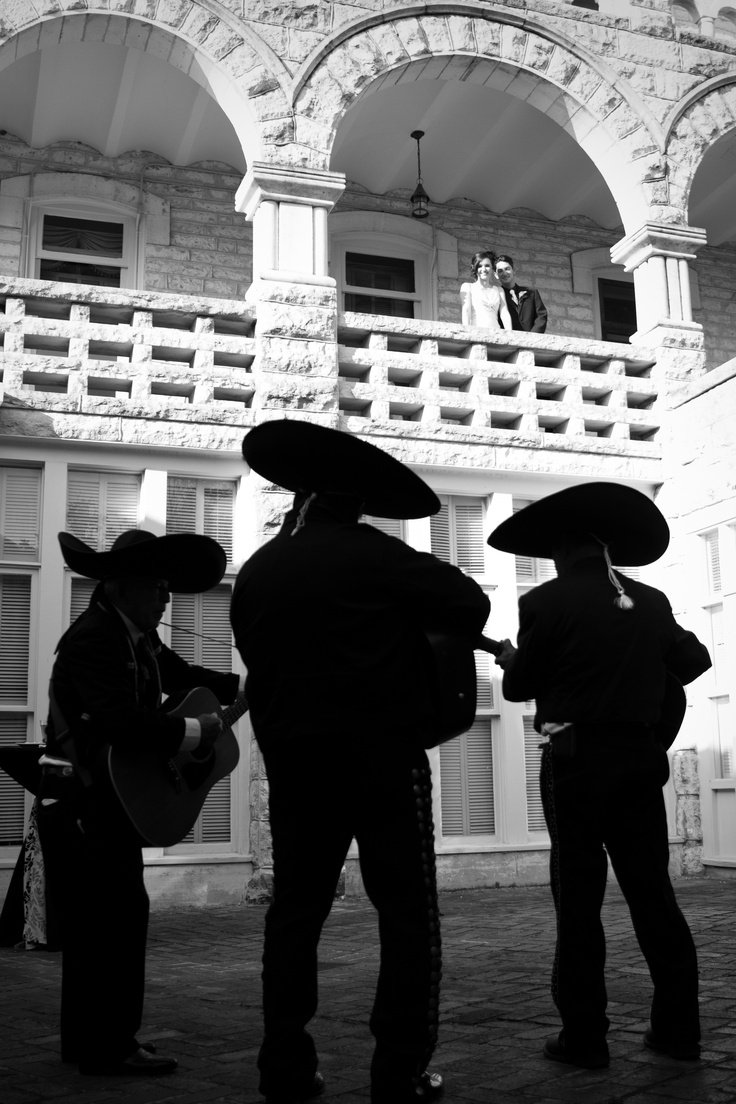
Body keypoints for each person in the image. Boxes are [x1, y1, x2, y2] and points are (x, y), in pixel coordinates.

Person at [230, 420, 491, 1104]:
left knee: (296, 914)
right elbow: (469, 602)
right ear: (355, 503)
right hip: (380, 759)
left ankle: (284, 1068)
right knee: (406, 914)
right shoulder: (373, 555)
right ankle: (398, 1071)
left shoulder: (257, 572)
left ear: (299, 499)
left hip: (294, 765)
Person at [489, 483, 711, 1070]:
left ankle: (585, 1038)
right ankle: (679, 1031)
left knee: (579, 901)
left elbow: (519, 687)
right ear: (606, 548)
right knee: (653, 895)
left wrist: (516, 658)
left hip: (573, 758)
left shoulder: (547, 602)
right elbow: (693, 662)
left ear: (563, 549)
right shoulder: (650, 601)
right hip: (640, 760)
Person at [37, 529, 242, 1077]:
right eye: (158, 587)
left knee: (102, 924)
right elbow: (119, 722)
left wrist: (240, 684)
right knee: (113, 921)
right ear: (123, 586)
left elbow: (183, 676)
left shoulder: (134, 635)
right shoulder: (97, 639)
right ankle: (109, 1046)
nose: (167, 598)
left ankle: (94, 1041)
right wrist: (197, 732)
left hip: (104, 804)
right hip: (83, 802)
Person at [493, 254, 548, 333]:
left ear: (513, 270)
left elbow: (541, 316)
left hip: (532, 340)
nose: (504, 273)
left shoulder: (532, 292)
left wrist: (533, 336)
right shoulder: (496, 296)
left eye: (507, 269)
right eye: (500, 271)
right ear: (496, 275)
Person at [459, 250, 512, 330]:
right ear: (475, 268)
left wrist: (509, 334)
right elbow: (466, 310)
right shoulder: (468, 287)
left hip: (496, 333)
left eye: (487, 265)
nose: (483, 269)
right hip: (476, 332)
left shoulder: (499, 290)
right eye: (480, 266)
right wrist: (467, 332)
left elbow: (504, 313)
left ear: (492, 269)